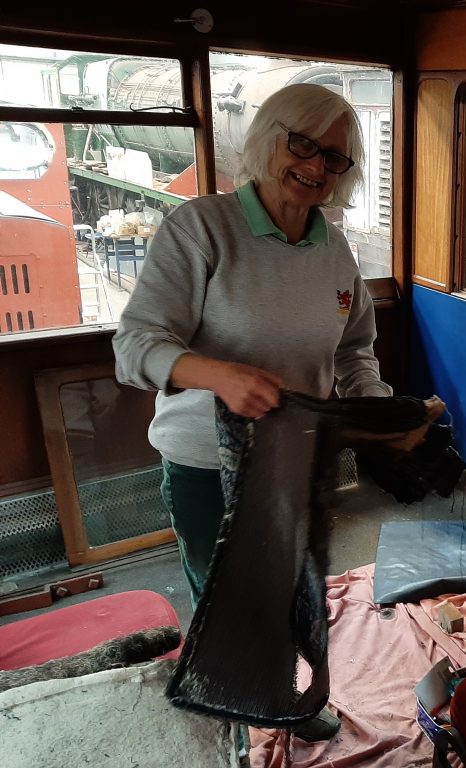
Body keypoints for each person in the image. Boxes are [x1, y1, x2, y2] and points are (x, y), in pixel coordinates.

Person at [113, 82, 392, 742]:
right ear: (270, 139)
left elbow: (355, 350)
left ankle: (283, 700)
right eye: (304, 145)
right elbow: (134, 347)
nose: (317, 167)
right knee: (229, 605)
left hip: (296, 463)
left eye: (336, 157)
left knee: (294, 592)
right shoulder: (203, 228)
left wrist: (378, 409)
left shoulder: (335, 250)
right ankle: (240, 722)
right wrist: (216, 376)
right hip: (208, 467)